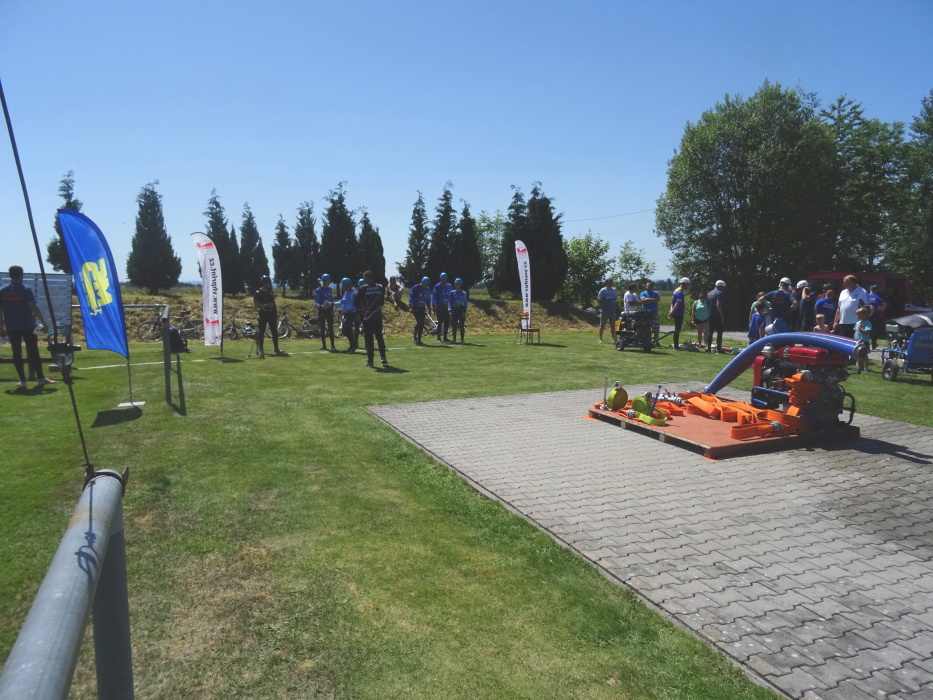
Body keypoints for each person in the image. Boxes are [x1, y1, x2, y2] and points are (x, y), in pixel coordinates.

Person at [0, 265, 54, 388]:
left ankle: (22, 381)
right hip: (27, 325)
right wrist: (44, 322)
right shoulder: (25, 289)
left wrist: (1, 328)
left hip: (11, 326)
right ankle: (40, 378)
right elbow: (33, 306)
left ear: (9, 275)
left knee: (16, 352)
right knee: (33, 351)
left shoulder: (2, 291)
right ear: (21, 275)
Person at [357, 270, 388, 367]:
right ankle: (383, 357)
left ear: (366, 278)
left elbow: (357, 303)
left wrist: (361, 312)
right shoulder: (380, 287)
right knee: (379, 337)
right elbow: (382, 302)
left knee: (369, 339)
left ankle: (370, 361)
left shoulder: (363, 288)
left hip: (367, 316)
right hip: (377, 315)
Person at [253, 275, 284, 358]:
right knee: (261, 332)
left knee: (274, 332)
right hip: (263, 314)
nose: (270, 285)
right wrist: (266, 305)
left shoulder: (270, 293)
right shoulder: (258, 293)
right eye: (268, 283)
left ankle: (276, 348)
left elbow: (273, 304)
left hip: (272, 314)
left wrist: (276, 313)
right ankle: (261, 349)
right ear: (264, 283)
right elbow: (256, 304)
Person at [335, 277, 359, 352]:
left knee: (345, 329)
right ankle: (352, 346)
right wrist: (331, 303)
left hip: (351, 314)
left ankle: (354, 344)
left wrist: (345, 311)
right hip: (346, 314)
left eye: (343, 285)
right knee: (348, 330)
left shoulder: (353, 293)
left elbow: (355, 305)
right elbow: (341, 302)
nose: (342, 286)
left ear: (347, 285)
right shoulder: (345, 293)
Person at [315, 273, 337, 351]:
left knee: (331, 328)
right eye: (328, 281)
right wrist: (321, 306)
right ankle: (324, 345)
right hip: (322, 310)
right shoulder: (318, 290)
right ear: (324, 281)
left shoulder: (330, 289)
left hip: (329, 310)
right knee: (322, 328)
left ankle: (333, 346)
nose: (329, 282)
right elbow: (316, 302)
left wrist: (330, 304)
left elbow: (331, 299)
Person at [408, 276, 431, 345]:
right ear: (422, 283)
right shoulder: (416, 288)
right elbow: (410, 297)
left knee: (422, 323)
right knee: (419, 321)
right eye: (424, 284)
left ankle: (419, 339)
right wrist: (410, 307)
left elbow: (428, 299)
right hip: (416, 307)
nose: (425, 286)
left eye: (426, 285)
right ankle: (415, 335)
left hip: (422, 308)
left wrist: (429, 308)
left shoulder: (427, 289)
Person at [668, 277, 690, 349]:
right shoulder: (680, 292)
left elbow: (672, 303)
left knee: (676, 329)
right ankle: (676, 345)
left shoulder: (675, 290)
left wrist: (671, 311)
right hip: (679, 313)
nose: (688, 286)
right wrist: (672, 312)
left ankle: (676, 344)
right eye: (687, 284)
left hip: (675, 312)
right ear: (683, 284)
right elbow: (677, 304)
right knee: (677, 330)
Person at [705, 280, 726, 353]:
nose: (723, 289)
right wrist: (721, 316)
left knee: (710, 332)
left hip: (709, 315)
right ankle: (718, 349)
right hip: (717, 315)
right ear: (720, 286)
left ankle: (708, 349)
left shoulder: (709, 293)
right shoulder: (719, 293)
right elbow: (718, 304)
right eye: (723, 287)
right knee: (719, 333)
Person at [432, 272, 453, 342]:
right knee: (440, 322)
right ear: (440, 279)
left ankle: (445, 337)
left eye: (446, 279)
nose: (445, 280)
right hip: (440, 306)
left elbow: (451, 296)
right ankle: (438, 338)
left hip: (447, 307)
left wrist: (451, 306)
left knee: (447, 322)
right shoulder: (437, 286)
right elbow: (433, 296)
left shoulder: (449, 286)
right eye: (443, 279)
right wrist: (433, 306)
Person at [596, 278, 618, 343]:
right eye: (609, 282)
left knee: (613, 326)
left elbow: (615, 299)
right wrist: (602, 306)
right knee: (602, 325)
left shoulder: (614, 290)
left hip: (612, 311)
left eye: (611, 282)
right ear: (606, 283)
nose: (611, 283)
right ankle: (600, 339)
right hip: (604, 311)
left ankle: (613, 339)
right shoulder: (603, 290)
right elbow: (599, 299)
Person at [640, 280, 661, 345]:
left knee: (656, 327)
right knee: (646, 327)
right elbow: (643, 300)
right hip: (645, 313)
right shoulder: (643, 293)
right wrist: (652, 299)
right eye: (646, 286)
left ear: (652, 287)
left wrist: (648, 299)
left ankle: (656, 341)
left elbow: (657, 299)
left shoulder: (656, 293)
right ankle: (647, 340)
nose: (647, 287)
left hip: (654, 312)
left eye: (649, 286)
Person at [449, 278, 468, 344]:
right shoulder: (452, 292)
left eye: (458, 284)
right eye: (455, 284)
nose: (456, 285)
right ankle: (454, 339)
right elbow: (450, 301)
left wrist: (464, 311)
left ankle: (462, 339)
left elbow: (465, 302)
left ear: (460, 285)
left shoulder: (463, 293)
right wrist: (450, 309)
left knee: (461, 325)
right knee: (454, 325)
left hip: (460, 309)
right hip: (454, 309)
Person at [867, 284, 886, 350]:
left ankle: (866, 344)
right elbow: (882, 309)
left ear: (870, 290)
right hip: (874, 316)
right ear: (876, 291)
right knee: (874, 331)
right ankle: (874, 344)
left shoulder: (866, 296)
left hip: (865, 316)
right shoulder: (878, 298)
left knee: (866, 330)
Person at [854, 305, 872, 372]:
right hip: (857, 341)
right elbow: (855, 332)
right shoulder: (857, 323)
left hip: (864, 341)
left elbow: (867, 332)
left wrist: (860, 328)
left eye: (858, 315)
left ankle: (865, 368)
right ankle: (859, 367)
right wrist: (854, 339)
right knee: (858, 354)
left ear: (864, 315)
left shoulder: (868, 323)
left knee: (864, 355)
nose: (857, 316)